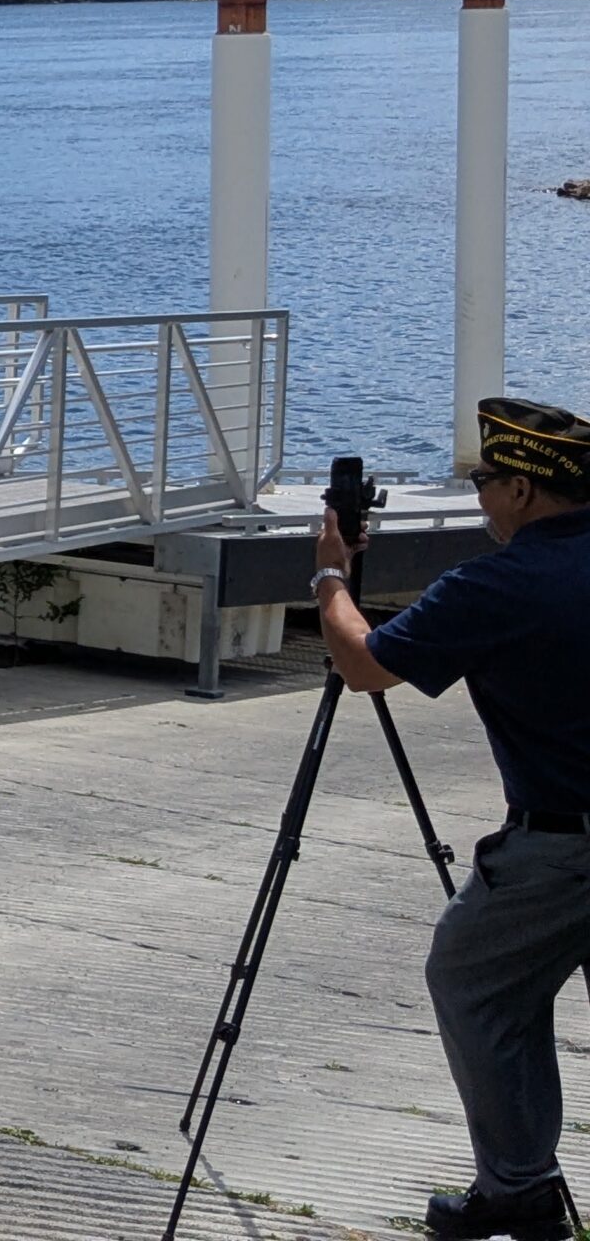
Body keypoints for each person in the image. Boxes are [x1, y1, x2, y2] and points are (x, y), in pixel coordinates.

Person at [311, 396, 590, 1241]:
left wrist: (331, 578)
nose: (480, 499)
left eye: (484, 482)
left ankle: (519, 1190)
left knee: (473, 980)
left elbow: (364, 663)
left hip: (562, 846)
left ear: (523, 491)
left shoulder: (501, 584)